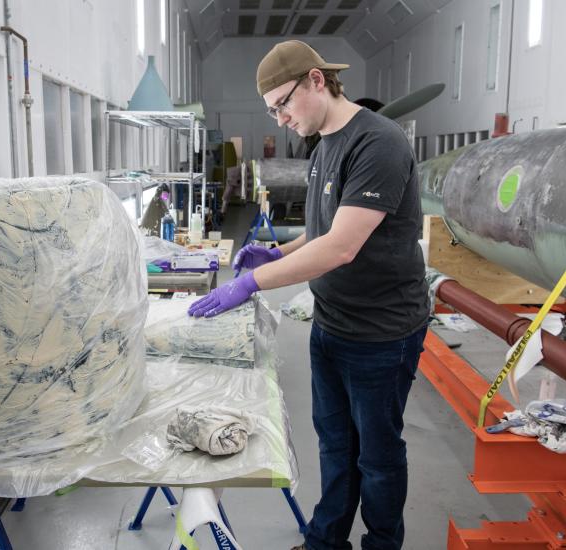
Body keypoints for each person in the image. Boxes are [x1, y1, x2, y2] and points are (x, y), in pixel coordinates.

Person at [188, 40, 429, 550]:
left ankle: (382, 544)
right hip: (333, 325)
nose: (279, 119)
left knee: (378, 457)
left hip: (382, 334)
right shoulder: (324, 146)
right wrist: (276, 254)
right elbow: (321, 232)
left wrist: (250, 283)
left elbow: (341, 247)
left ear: (317, 81)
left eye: (282, 104)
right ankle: (326, 542)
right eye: (272, 109)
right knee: (336, 446)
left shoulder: (377, 143)